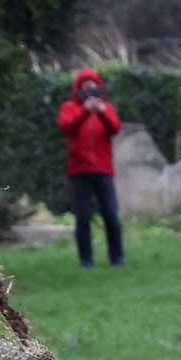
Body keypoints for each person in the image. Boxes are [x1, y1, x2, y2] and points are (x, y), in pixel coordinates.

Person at [58, 68, 126, 268]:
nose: (89, 88)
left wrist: (102, 113)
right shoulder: (70, 107)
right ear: (78, 88)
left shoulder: (107, 108)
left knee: (111, 215)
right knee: (83, 217)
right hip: (80, 171)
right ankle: (86, 260)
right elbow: (66, 126)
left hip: (104, 170)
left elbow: (115, 128)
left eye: (92, 84)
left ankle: (118, 257)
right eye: (85, 85)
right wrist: (84, 112)